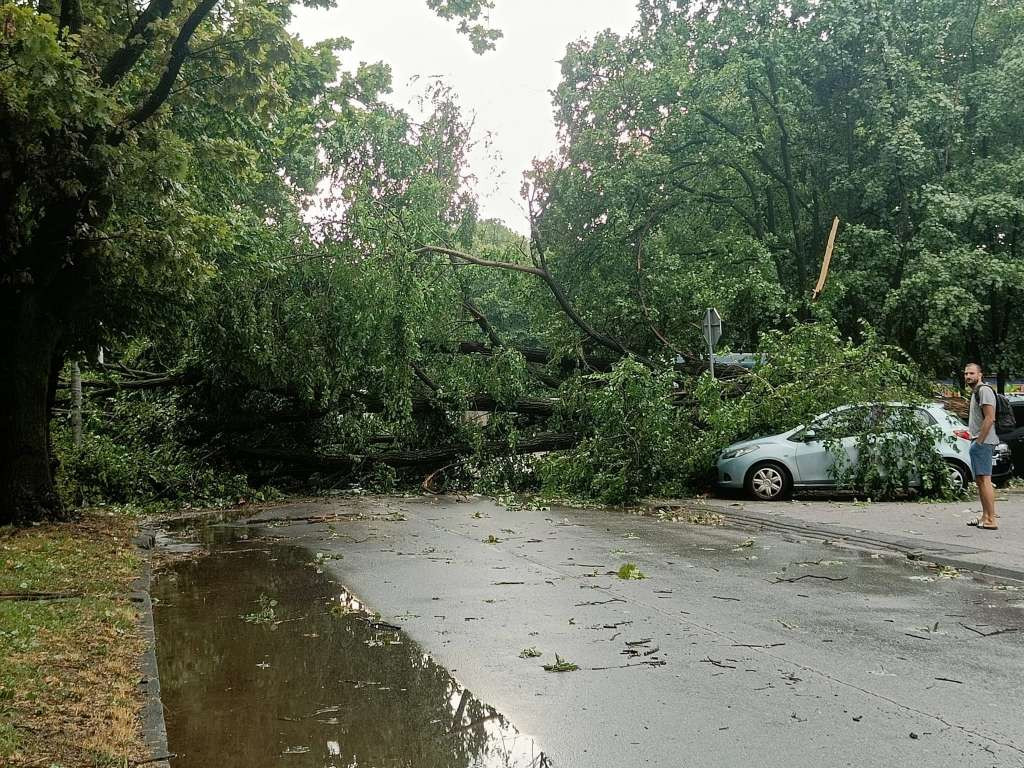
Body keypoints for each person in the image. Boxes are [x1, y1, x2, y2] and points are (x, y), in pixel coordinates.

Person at [964, 363, 998, 530]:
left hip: (983, 442)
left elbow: (990, 418)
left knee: (985, 480)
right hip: (979, 440)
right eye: (966, 374)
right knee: (980, 480)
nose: (968, 376)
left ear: (980, 375)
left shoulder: (984, 390)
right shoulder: (976, 392)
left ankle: (991, 519)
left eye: (971, 373)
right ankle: (985, 516)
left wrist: (979, 442)